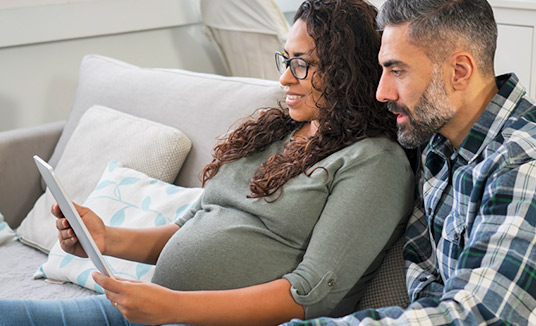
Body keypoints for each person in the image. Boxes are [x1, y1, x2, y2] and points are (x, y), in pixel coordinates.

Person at [0, 1, 413, 325]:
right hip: (159, 315)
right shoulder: (276, 133)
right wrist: (106, 238)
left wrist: (173, 307)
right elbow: (190, 227)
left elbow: (310, 294)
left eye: (301, 64)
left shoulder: (374, 161)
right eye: (284, 60)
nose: (285, 78)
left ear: (347, 71)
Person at [285, 0, 536, 325]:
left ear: (459, 71)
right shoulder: (436, 139)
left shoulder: (523, 162)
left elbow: (478, 316)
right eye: (383, 70)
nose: (382, 92)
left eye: (398, 70)